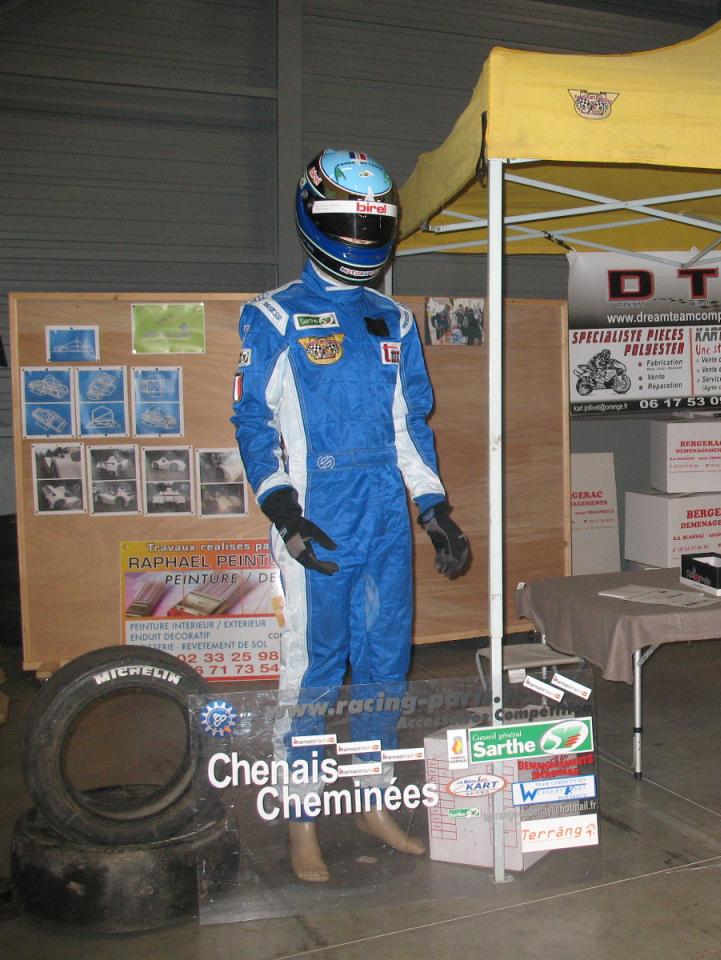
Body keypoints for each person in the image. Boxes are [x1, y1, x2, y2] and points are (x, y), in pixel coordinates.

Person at [232, 149, 470, 882]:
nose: (362, 239)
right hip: (317, 523)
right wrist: (284, 511)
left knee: (383, 667)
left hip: (386, 521)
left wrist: (434, 510)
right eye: (348, 224)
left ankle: (372, 800)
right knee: (312, 672)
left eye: (373, 225)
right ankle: (301, 820)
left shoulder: (394, 319)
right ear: (312, 217)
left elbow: (409, 426)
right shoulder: (272, 316)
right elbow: (253, 423)